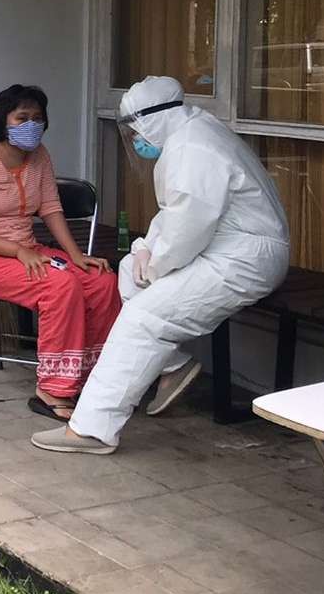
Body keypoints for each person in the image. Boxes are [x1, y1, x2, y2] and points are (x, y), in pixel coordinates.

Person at [35, 76, 289, 455]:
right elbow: (175, 216)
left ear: (154, 118)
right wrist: (143, 250)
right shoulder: (191, 135)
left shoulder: (193, 149)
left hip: (245, 260)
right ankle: (172, 367)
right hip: (223, 248)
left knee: (142, 318)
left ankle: (92, 429)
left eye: (136, 129)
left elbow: (188, 226)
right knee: (129, 274)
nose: (136, 139)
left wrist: (156, 265)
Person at [0, 83, 120, 421]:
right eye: (22, 117)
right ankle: (52, 390)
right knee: (59, 285)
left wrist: (75, 255)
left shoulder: (40, 155)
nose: (31, 124)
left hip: (30, 250)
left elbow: (50, 208)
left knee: (101, 281)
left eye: (37, 118)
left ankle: (96, 378)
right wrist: (17, 252)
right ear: (3, 121)